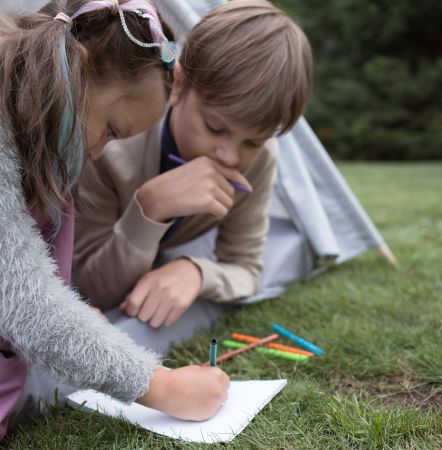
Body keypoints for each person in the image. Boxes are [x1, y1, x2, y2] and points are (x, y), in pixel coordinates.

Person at [0, 0, 229, 441]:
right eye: (111, 129)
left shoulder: (37, 132)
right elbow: (29, 305)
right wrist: (163, 387)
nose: (99, 152)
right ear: (78, 67)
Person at [73, 0, 313, 347]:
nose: (230, 156)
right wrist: (149, 209)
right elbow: (87, 287)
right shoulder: (111, 139)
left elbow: (246, 268)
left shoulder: (260, 159)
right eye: (215, 128)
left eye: (252, 141)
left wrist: (197, 272)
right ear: (181, 82)